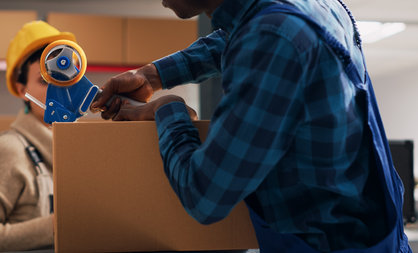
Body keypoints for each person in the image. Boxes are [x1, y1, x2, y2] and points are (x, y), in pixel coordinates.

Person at [92, 0, 411, 252]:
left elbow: (205, 196)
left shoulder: (272, 39)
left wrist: (168, 109)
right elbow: (237, 37)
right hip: (375, 233)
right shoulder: (304, 8)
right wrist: (152, 75)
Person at [0, 21, 76, 252]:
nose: (58, 88)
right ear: (21, 89)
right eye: (45, 80)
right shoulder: (7, 150)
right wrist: (58, 226)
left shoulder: (77, 148)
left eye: (62, 75)